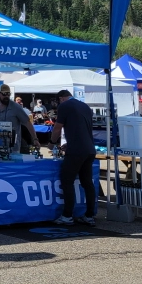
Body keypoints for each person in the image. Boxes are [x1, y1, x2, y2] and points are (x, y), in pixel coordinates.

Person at [50, 89, 97, 226]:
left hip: (76, 150)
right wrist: (69, 143)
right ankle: (89, 215)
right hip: (89, 149)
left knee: (67, 181)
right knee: (87, 183)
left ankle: (67, 215)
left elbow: (58, 127)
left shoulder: (64, 106)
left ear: (61, 98)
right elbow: (82, 129)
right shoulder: (85, 106)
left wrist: (52, 142)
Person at [0, 84, 40, 153]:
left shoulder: (16, 107)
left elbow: (27, 122)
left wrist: (35, 139)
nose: (6, 96)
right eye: (4, 94)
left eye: (8, 94)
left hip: (13, 146)